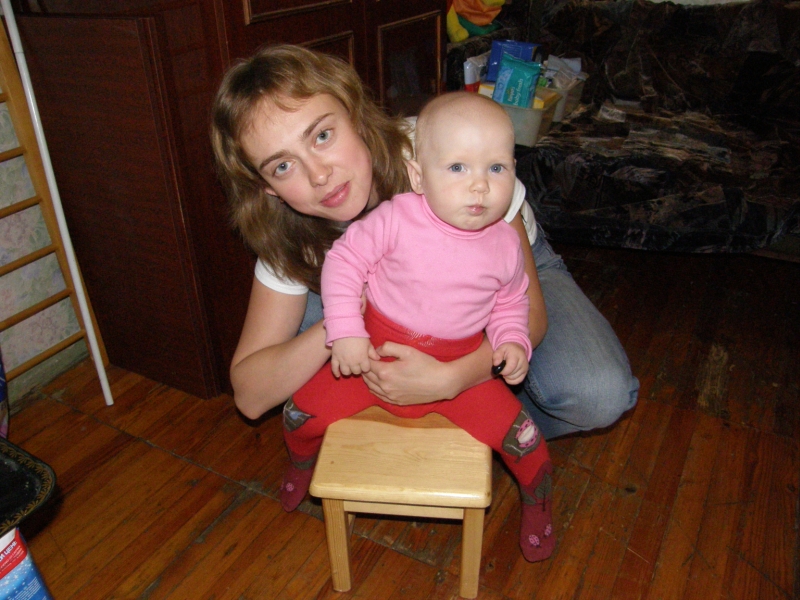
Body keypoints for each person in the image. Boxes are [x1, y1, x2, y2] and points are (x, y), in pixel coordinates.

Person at [210, 38, 639, 541]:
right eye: (283, 166)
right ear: (267, 187)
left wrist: (451, 380)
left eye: (322, 135)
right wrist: (342, 324)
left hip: (505, 274)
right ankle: (409, 410)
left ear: (354, 113)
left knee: (599, 394)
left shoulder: (451, 148)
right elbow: (251, 395)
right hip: (385, 306)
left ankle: (457, 427)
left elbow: (527, 313)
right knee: (316, 318)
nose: (319, 174)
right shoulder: (289, 235)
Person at [282, 91, 555, 561]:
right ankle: (300, 465)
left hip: (459, 371)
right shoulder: (396, 217)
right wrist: (346, 331)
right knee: (297, 414)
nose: (479, 186)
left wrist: (512, 341)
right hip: (371, 358)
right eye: (457, 167)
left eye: (496, 168)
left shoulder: (506, 245)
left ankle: (539, 505)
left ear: (514, 173)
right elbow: (344, 262)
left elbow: (512, 302)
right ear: (418, 176)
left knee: (528, 443)